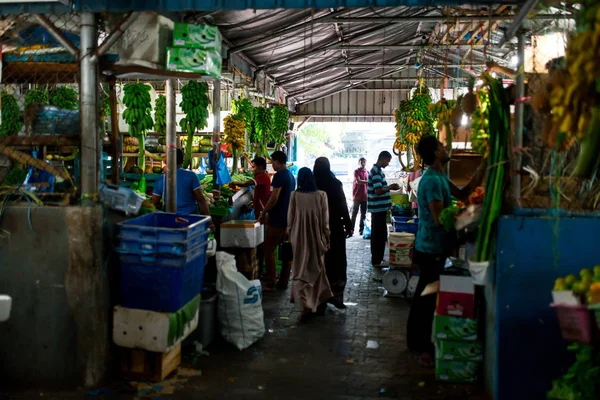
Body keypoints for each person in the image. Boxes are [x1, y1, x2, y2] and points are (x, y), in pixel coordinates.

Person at [406, 135, 485, 368]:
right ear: (435, 152)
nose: (445, 147)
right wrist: (471, 218)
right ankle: (421, 346)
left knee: (428, 294)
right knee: (427, 297)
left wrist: (482, 170)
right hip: (430, 248)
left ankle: (418, 343)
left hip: (437, 247)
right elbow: (441, 219)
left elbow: (461, 194)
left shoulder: (441, 175)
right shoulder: (430, 180)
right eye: (441, 146)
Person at [287, 167, 333, 322]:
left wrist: (290, 235)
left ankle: (306, 305)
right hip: (316, 238)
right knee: (317, 269)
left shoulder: (294, 195)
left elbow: (290, 218)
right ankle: (319, 301)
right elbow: (325, 222)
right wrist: (326, 238)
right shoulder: (321, 195)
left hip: (298, 238)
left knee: (300, 271)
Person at [313, 157, 353, 309]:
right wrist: (348, 225)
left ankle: (320, 298)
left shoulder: (311, 184)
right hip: (334, 228)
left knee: (319, 262)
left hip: (316, 229)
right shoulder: (335, 183)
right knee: (336, 261)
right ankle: (336, 295)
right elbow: (343, 205)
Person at [258, 151, 295, 292]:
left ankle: (270, 280)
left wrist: (264, 212)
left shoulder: (280, 176)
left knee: (269, 249)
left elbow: (274, 197)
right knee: (285, 251)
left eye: (272, 162)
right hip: (286, 218)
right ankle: (283, 281)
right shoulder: (290, 175)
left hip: (277, 218)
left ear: (278, 162)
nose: (271, 165)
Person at [152, 148, 214, 229]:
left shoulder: (161, 179)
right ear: (182, 161)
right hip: (191, 221)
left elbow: (153, 204)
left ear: (168, 161)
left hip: (171, 221)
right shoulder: (191, 176)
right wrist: (210, 223)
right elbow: (201, 200)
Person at [232, 157, 271, 276]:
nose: (252, 169)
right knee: (260, 240)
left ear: (260, 167)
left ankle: (260, 269)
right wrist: (252, 203)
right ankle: (259, 267)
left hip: (262, 213)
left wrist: (233, 182)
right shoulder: (262, 177)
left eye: (253, 167)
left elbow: (247, 184)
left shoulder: (262, 177)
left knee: (261, 242)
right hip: (259, 210)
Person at [367, 151, 400, 267]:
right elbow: (378, 191)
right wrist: (390, 187)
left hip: (380, 209)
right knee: (378, 236)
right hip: (377, 210)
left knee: (380, 235)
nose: (388, 164)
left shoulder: (378, 171)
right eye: (388, 161)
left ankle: (379, 259)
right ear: (383, 159)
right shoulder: (376, 172)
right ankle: (376, 260)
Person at [351, 157, 368, 235]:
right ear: (359, 163)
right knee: (354, 213)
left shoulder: (367, 172)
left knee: (363, 214)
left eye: (364, 162)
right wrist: (368, 181)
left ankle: (361, 230)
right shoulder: (356, 171)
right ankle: (351, 229)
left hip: (365, 196)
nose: (363, 163)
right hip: (357, 196)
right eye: (361, 162)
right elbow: (358, 181)